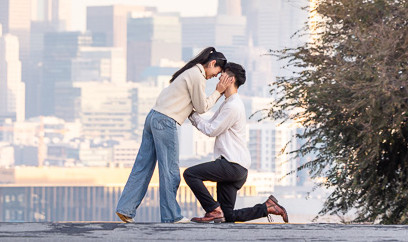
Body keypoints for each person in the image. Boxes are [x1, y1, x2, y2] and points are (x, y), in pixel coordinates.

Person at [115, 46, 228, 224]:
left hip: (153, 117)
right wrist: (218, 92)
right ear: (212, 63)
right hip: (166, 122)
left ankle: (125, 209)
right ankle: (171, 216)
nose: (214, 77)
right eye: (216, 73)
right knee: (169, 171)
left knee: (142, 166)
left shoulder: (189, 71)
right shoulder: (197, 76)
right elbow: (202, 107)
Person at [183, 63, 289, 224]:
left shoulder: (233, 106)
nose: (219, 77)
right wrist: (194, 113)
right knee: (228, 217)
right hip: (237, 167)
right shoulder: (229, 103)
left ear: (231, 79)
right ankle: (267, 207)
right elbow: (210, 123)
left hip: (232, 165)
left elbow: (211, 130)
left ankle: (212, 209)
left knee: (190, 174)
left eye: (223, 74)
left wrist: (191, 114)